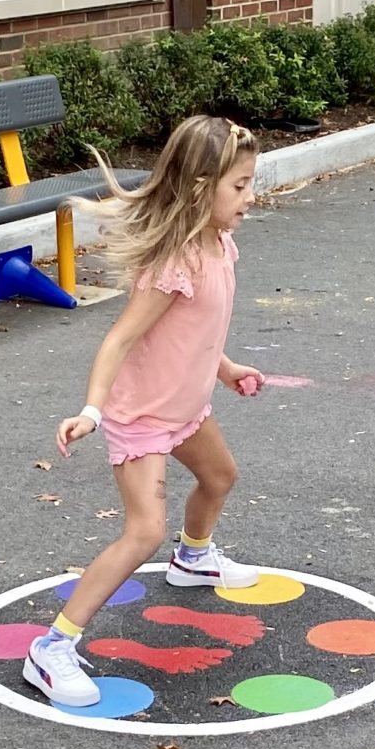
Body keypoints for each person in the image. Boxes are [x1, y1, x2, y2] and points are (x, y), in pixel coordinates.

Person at [28, 115, 271, 708]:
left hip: (186, 406)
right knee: (143, 530)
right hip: (141, 417)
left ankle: (194, 557)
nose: (250, 196)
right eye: (238, 186)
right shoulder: (175, 264)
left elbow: (198, 334)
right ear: (198, 188)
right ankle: (53, 648)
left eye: (250, 183)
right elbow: (119, 339)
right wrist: (91, 410)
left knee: (219, 477)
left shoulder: (220, 243)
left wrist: (227, 368)